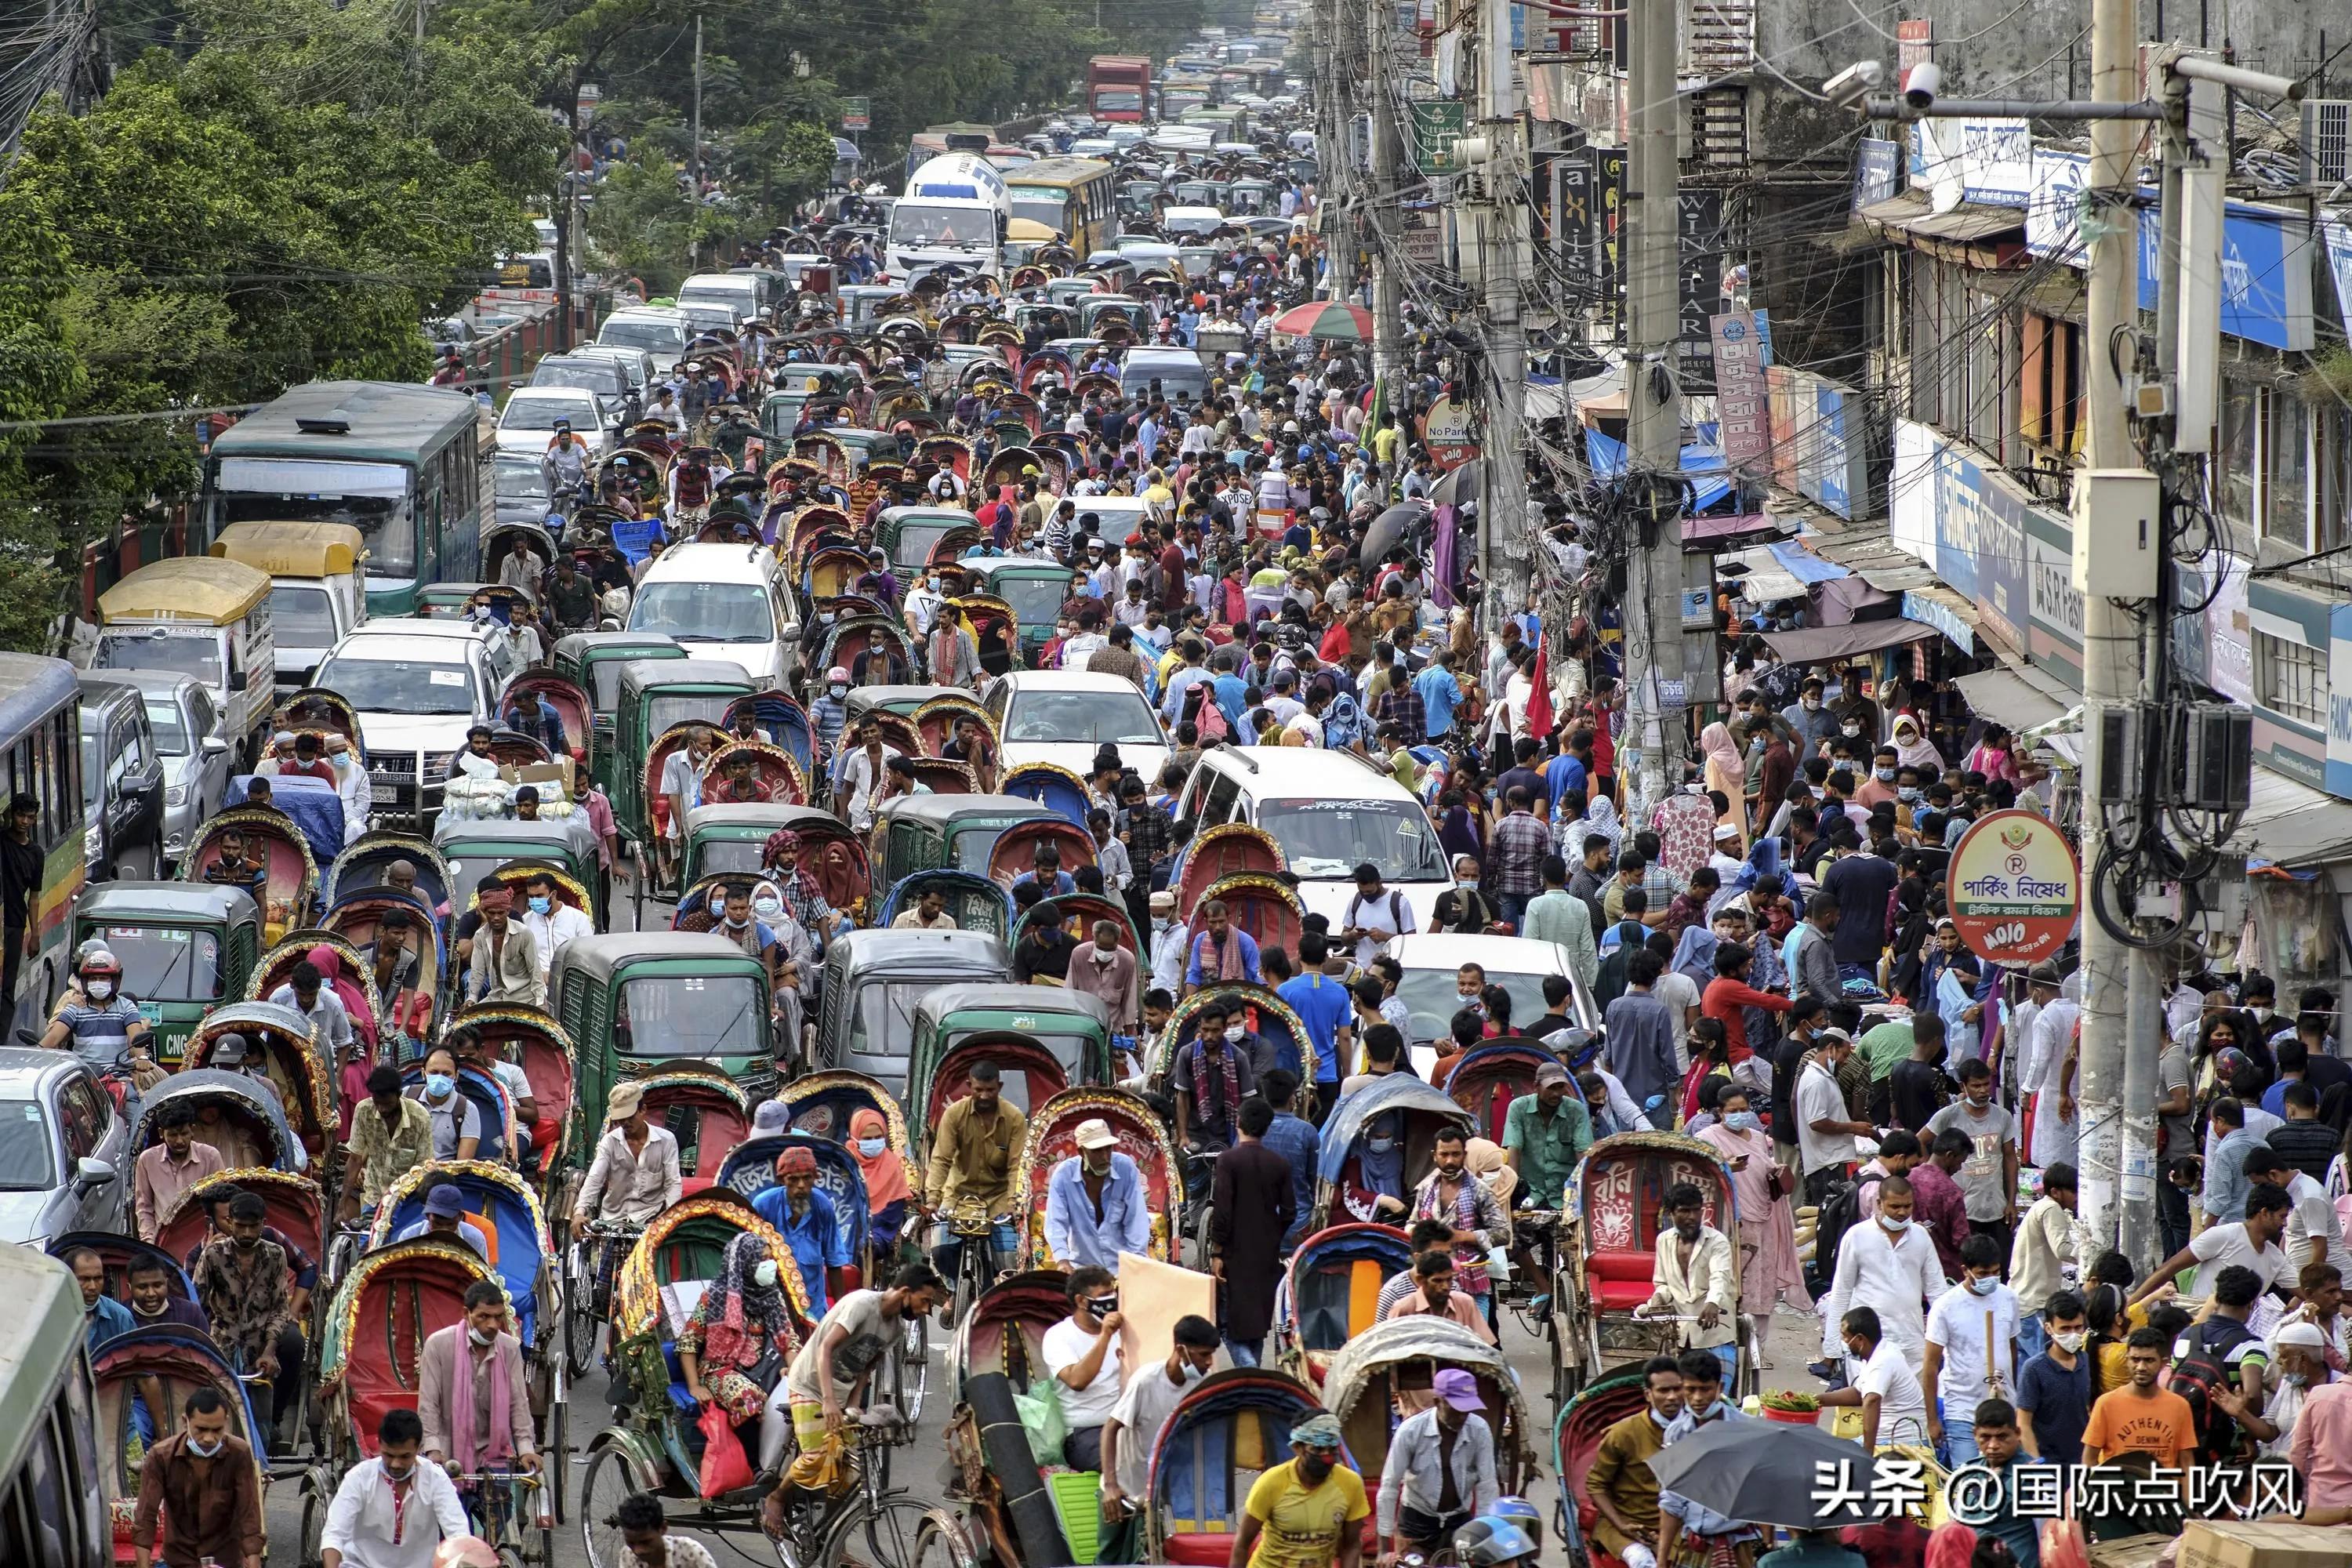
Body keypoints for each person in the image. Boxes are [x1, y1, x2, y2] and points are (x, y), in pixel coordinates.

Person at [770, 1263, 949, 1493]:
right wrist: (829, 1400)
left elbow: (867, 1368)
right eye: (925, 1300)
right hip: (810, 1385)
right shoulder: (861, 1304)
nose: (926, 1310)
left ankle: (832, 1526)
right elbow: (825, 1348)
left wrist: (854, 1403)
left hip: (842, 1393)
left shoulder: (895, 1329)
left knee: (849, 1472)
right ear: (905, 1293)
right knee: (816, 1458)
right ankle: (777, 1498)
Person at [1101, 1314, 1221, 1563]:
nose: (1209, 1362)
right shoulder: (1146, 1381)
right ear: (1181, 1350)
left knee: (1157, 1557)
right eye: (1203, 1354)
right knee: (1108, 1560)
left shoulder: (1202, 1386)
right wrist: (1112, 1486)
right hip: (1125, 1488)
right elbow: (1110, 1429)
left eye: (1211, 1355)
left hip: (1164, 1493)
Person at [923, 1060, 1028, 1294]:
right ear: (970, 1086)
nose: (983, 1096)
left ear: (999, 1087)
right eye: (978, 1090)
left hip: (999, 1197)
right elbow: (941, 1159)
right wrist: (933, 1199)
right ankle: (953, 1293)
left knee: (1009, 1257)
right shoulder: (954, 1115)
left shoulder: (1014, 1118)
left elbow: (1016, 1166)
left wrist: (1013, 1203)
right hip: (959, 1195)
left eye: (989, 1090)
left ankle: (995, 1298)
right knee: (940, 1250)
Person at [130, 1387, 267, 1568]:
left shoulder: (238, 1453)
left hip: (225, 1561)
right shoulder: (160, 1456)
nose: (209, 1438)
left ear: (225, 1422)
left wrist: (254, 1562)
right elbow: (145, 1519)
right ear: (185, 1422)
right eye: (201, 1429)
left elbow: (249, 1515)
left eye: (217, 1430)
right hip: (178, 1561)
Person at [319, 1407, 472, 1568]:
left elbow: (457, 1532)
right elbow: (334, 1533)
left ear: (419, 1449)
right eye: (389, 1455)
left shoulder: (436, 1478)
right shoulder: (359, 1478)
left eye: (405, 1456)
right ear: (379, 1445)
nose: (395, 1464)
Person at [418, 1279, 539, 1479]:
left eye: (498, 1317)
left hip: (494, 1453)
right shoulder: (438, 1345)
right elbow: (428, 1404)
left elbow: (518, 1403)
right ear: (467, 1314)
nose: (492, 1325)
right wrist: (432, 1449)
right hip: (447, 1453)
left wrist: (526, 1449)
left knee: (501, 1505)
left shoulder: (509, 1348)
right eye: (484, 1317)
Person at [1654, 1350, 1764, 1568]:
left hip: (1738, 1545)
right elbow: (1672, 1500)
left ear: (1719, 1389)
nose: (1697, 1398)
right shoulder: (1677, 1433)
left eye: (1705, 1390)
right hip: (1694, 1543)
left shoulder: (1746, 1431)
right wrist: (1661, 1560)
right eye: (1691, 1390)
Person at [679, 1232, 793, 1441]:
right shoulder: (714, 1297)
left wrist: (793, 1370)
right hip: (720, 1369)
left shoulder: (773, 1296)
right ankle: (749, 1461)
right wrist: (695, 1385)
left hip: (764, 1367)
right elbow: (688, 1343)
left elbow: (788, 1340)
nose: (769, 1265)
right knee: (749, 1398)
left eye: (770, 1258)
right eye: (762, 1260)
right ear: (746, 1263)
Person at [1377, 1367, 1499, 1562]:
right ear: (1437, 1402)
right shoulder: (1410, 1431)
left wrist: (1482, 1534)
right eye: (1456, 1410)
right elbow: (1389, 1485)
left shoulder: (1479, 1430)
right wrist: (1383, 1550)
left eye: (1467, 1411)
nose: (1462, 1417)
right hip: (1416, 1522)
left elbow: (1488, 1485)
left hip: (1460, 1520)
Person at [1922, 1233, 2020, 1465]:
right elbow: (1930, 1365)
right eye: (1983, 1274)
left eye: (1996, 1272)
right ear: (1965, 1270)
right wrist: (1933, 1420)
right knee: (1969, 1483)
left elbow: (2012, 1348)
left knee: (2004, 1484)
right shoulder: (1946, 1307)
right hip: (1963, 1412)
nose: (1991, 1279)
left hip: (2003, 1410)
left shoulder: (2009, 1298)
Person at [1229, 1411, 1369, 1568]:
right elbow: (1242, 1544)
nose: (1326, 1457)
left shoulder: (1350, 1483)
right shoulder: (1271, 1483)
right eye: (1318, 1449)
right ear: (1297, 1448)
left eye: (1332, 1449)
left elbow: (1351, 1546)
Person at [1586, 1356, 1680, 1568]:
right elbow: (1596, 1485)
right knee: (1642, 1561)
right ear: (1648, 1394)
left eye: (1677, 1389)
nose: (1672, 1397)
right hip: (1630, 1526)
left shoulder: (1695, 1429)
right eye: (1663, 1391)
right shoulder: (1623, 1433)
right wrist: (1621, 1525)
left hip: (1678, 1528)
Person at [1924, 1058, 2019, 1267]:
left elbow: (2010, 1158)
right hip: (1963, 1210)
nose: (1983, 1090)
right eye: (1976, 1086)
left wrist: (2011, 1201)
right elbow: (1919, 1141)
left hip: (1996, 1208)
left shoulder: (2002, 1117)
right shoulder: (1949, 1116)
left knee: (1999, 1267)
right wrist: (1934, 1177)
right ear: (1963, 1086)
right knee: (1965, 1266)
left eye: (1986, 1084)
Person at [1643, 1181, 1739, 1387]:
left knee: (1718, 1393)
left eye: (1697, 1211)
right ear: (1671, 1213)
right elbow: (1662, 1282)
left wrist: (1713, 1303)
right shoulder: (1664, 1241)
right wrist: (1659, 1297)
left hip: (1715, 1326)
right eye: (1684, 1211)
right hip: (1681, 1329)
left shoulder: (1717, 1241)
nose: (1692, 1217)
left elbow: (1720, 1276)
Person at [1409, 1126, 1507, 1316]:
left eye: (1456, 1154)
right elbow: (1412, 1223)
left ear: (1465, 1154)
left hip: (1471, 1285)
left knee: (1474, 1342)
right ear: (1434, 1155)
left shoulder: (1479, 1190)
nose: (1450, 1160)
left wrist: (1463, 1236)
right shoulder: (1426, 1188)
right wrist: (1417, 1233)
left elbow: (1502, 1233)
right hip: (1430, 1287)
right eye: (1444, 1154)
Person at [1044, 1116, 1155, 1273]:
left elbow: (1136, 1218)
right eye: (1097, 1151)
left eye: (1108, 1149)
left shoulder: (1125, 1167)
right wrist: (1062, 1260)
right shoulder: (1064, 1175)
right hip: (1083, 1268)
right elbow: (1055, 1221)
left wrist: (1135, 1261)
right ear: (1082, 1152)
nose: (1105, 1157)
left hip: (1122, 1265)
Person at [750, 1144, 851, 1316]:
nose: (801, 1186)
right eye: (793, 1180)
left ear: (814, 1179)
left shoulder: (823, 1207)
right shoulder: (764, 1205)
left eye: (807, 1178)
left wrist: (841, 1312)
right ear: (783, 1180)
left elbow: (834, 1262)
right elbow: (748, 1259)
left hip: (812, 1308)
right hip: (772, 1306)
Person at [1043, 1265, 1127, 1470]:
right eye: (1104, 1295)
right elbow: (1077, 1380)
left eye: (1113, 1293)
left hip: (1124, 1424)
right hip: (1084, 1433)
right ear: (1081, 1301)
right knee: (1125, 1468)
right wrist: (1105, 1336)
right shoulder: (1058, 1336)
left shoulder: (1123, 1331)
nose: (1112, 1300)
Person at [1818, 1306, 1929, 1454]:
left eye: (1845, 1336)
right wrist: (1815, 1401)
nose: (1844, 1341)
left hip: (1899, 1440)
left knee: (1826, 1457)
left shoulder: (1883, 1361)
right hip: (1890, 1436)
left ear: (1859, 1339)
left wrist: (1867, 1453)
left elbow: (1871, 1400)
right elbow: (1859, 1393)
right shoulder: (1880, 1352)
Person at [2081, 1327, 2197, 1468]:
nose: (2141, 1367)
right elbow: (2089, 1459)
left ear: (2162, 1362)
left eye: (2149, 1360)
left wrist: (2187, 1490)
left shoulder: (2180, 1406)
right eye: (2135, 1360)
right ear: (2127, 1360)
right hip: (2121, 1489)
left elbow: (2186, 1461)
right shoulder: (2106, 1404)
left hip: (2165, 1489)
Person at [342, 1065, 434, 1223]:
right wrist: (341, 1206)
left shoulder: (419, 1117)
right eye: (377, 1102)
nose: (382, 1109)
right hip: (374, 1196)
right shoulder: (364, 1111)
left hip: (407, 1200)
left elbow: (423, 1169)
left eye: (388, 1104)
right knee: (367, 1243)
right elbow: (355, 1159)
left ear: (399, 1095)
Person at [2013, 1289, 2093, 1466]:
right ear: (2049, 1328)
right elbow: (2023, 1423)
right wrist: (2035, 1462)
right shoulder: (2034, 1369)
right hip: (2048, 1462)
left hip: (2079, 1460)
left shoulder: (2085, 1360)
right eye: (2065, 1329)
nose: (2073, 1334)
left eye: (2078, 1327)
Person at [1173, 995, 1260, 1149]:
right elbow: (1183, 1096)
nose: (1209, 1036)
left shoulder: (1239, 1057)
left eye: (1215, 1031)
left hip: (1229, 1133)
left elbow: (1247, 1101)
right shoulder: (1187, 1054)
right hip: (1196, 1133)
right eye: (1205, 1030)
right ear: (1200, 1026)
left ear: (1225, 1028)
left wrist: (1245, 1138)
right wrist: (1183, 1135)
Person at [135, 1100, 227, 1242]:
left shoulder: (211, 1157)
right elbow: (144, 1207)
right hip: (164, 1240)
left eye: (184, 1134)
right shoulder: (147, 1160)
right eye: (172, 1135)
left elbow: (222, 1202)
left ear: (192, 1130)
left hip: (203, 1239)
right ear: (161, 1133)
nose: (179, 1141)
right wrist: (149, 1240)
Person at [1383, 1249, 1498, 1346]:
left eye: (1449, 1280)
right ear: (1420, 1280)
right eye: (1437, 1281)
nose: (1445, 1287)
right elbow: (1389, 1351)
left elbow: (1485, 1346)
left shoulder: (1465, 1303)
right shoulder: (1403, 1309)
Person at [465, 889, 540, 1007]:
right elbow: (477, 971)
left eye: (500, 913)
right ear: (484, 912)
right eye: (491, 913)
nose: (496, 918)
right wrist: (472, 998)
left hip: (525, 999)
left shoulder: (523, 933)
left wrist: (540, 1003)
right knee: (465, 1023)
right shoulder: (480, 936)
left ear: (508, 911)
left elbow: (535, 970)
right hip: (497, 996)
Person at [409, 1047, 484, 1162]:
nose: (439, 1078)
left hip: (444, 1175)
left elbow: (462, 1164)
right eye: (434, 1073)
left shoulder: (467, 1110)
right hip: (405, 1175)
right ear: (423, 1073)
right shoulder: (407, 1097)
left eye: (446, 1074)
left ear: (456, 1076)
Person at [615, 1492, 721, 1568]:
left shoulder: (690, 1554)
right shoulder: (628, 1556)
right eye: (631, 1542)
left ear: (663, 1528)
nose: (639, 1550)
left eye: (646, 1542)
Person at [67, 1244, 136, 1353]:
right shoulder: (51, 1317)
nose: (93, 1287)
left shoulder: (121, 1318)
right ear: (69, 1279)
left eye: (98, 1278)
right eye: (85, 1279)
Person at [392, 1181, 491, 1257]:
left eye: (450, 1224)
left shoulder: (475, 1239)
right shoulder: (409, 1237)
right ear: (427, 1216)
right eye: (437, 1224)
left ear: (460, 1217)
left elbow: (480, 1276)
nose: (444, 1230)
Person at [1185, 898, 1264, 992]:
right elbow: (1194, 974)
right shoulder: (1200, 940)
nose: (1218, 927)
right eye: (1213, 922)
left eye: (1221, 921)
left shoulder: (1245, 941)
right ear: (1206, 921)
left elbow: (1255, 974)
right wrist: (1190, 1002)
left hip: (1238, 997)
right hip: (1207, 997)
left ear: (1229, 918)